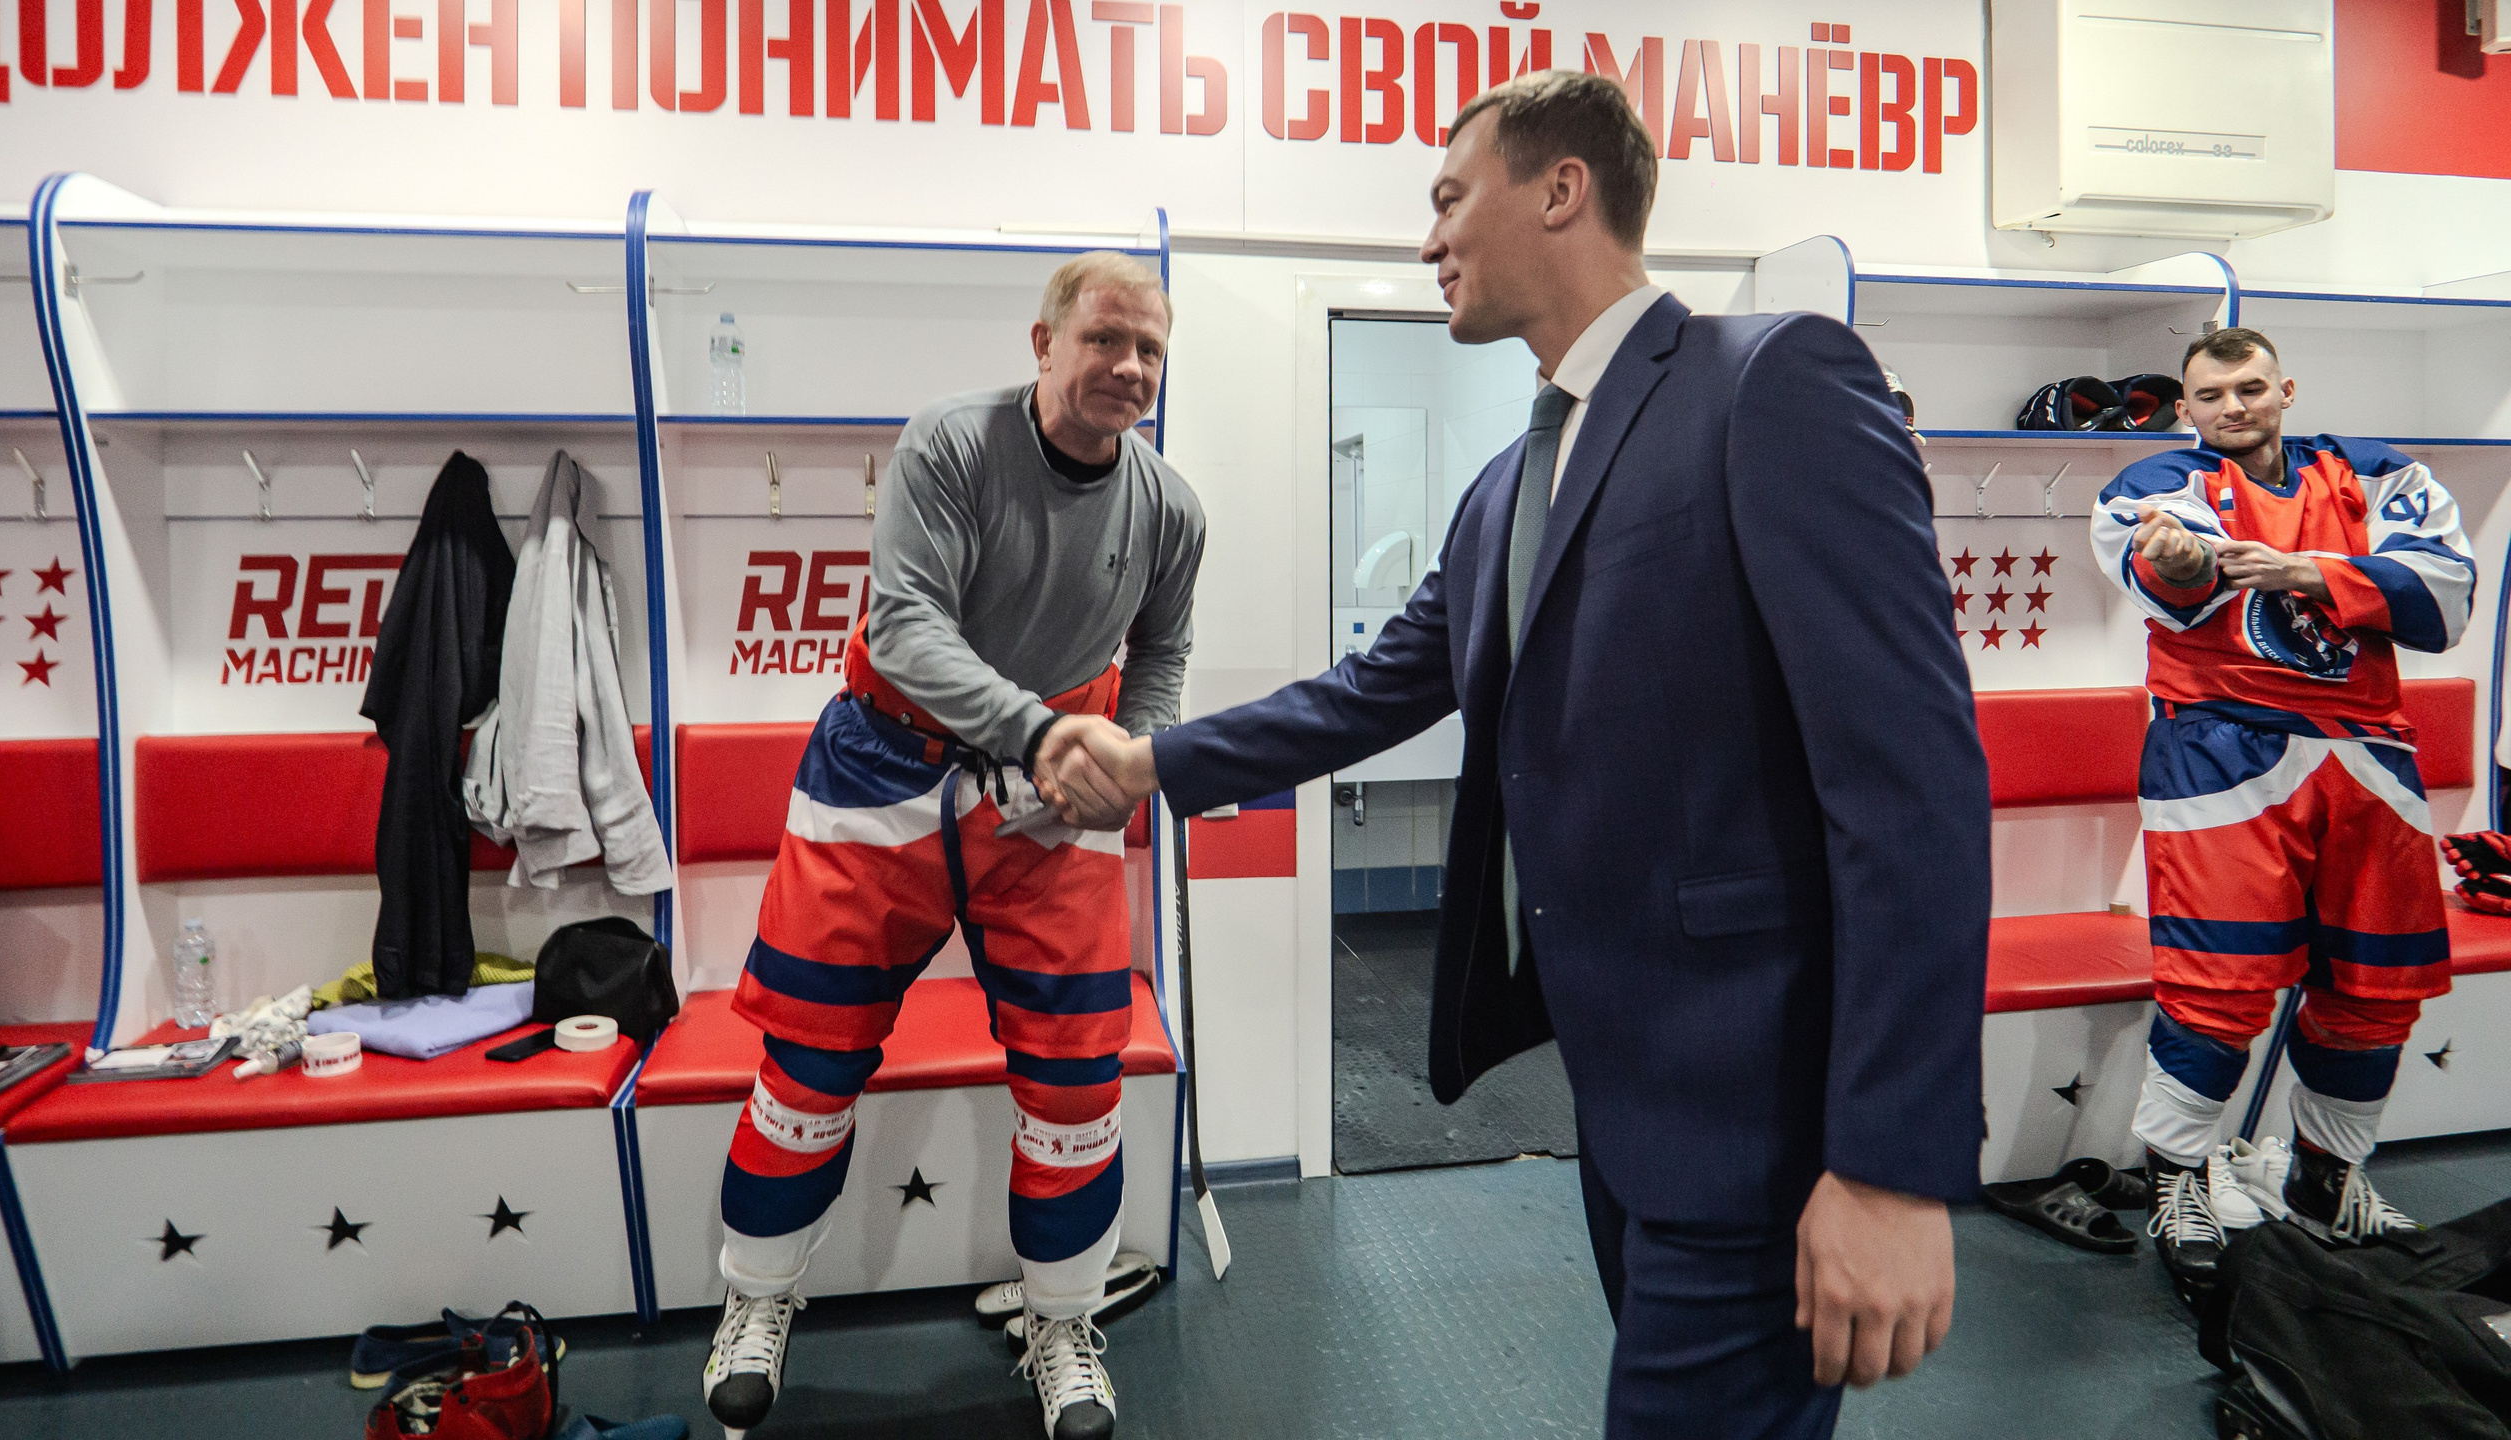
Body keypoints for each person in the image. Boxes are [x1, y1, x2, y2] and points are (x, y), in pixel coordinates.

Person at [1038, 71, 1986, 1440]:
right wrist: (1152, 763)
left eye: (1445, 198)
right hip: (1620, 1099)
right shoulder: (1506, 488)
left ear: (1561, 189)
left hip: (1761, 1119)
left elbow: (1912, 790)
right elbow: (1377, 690)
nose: (1427, 242)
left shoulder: (1772, 382)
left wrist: (1891, 1170)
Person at [698, 251, 1205, 1440]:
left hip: (1052, 801)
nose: (1127, 368)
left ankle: (1063, 1323)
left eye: (1148, 351)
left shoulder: (1171, 505)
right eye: (1104, 340)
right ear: (1043, 343)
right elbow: (908, 625)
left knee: (1079, 1082)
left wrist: (1127, 767)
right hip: (884, 770)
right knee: (806, 1068)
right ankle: (756, 1302)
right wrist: (1046, 737)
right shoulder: (951, 443)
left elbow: (1164, 657)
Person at [2090, 327, 2473, 1287]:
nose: (2233, 408)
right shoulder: (2151, 482)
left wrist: (2307, 571)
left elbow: (2447, 593)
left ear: (2285, 390)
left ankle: (2325, 1178)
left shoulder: (2378, 475)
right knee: (2218, 988)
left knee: (2377, 989)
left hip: (2368, 756)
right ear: (2186, 408)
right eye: (2211, 395)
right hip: (2221, 754)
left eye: (2251, 388)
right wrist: (2183, 561)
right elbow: (2168, 577)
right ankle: (2177, 1177)